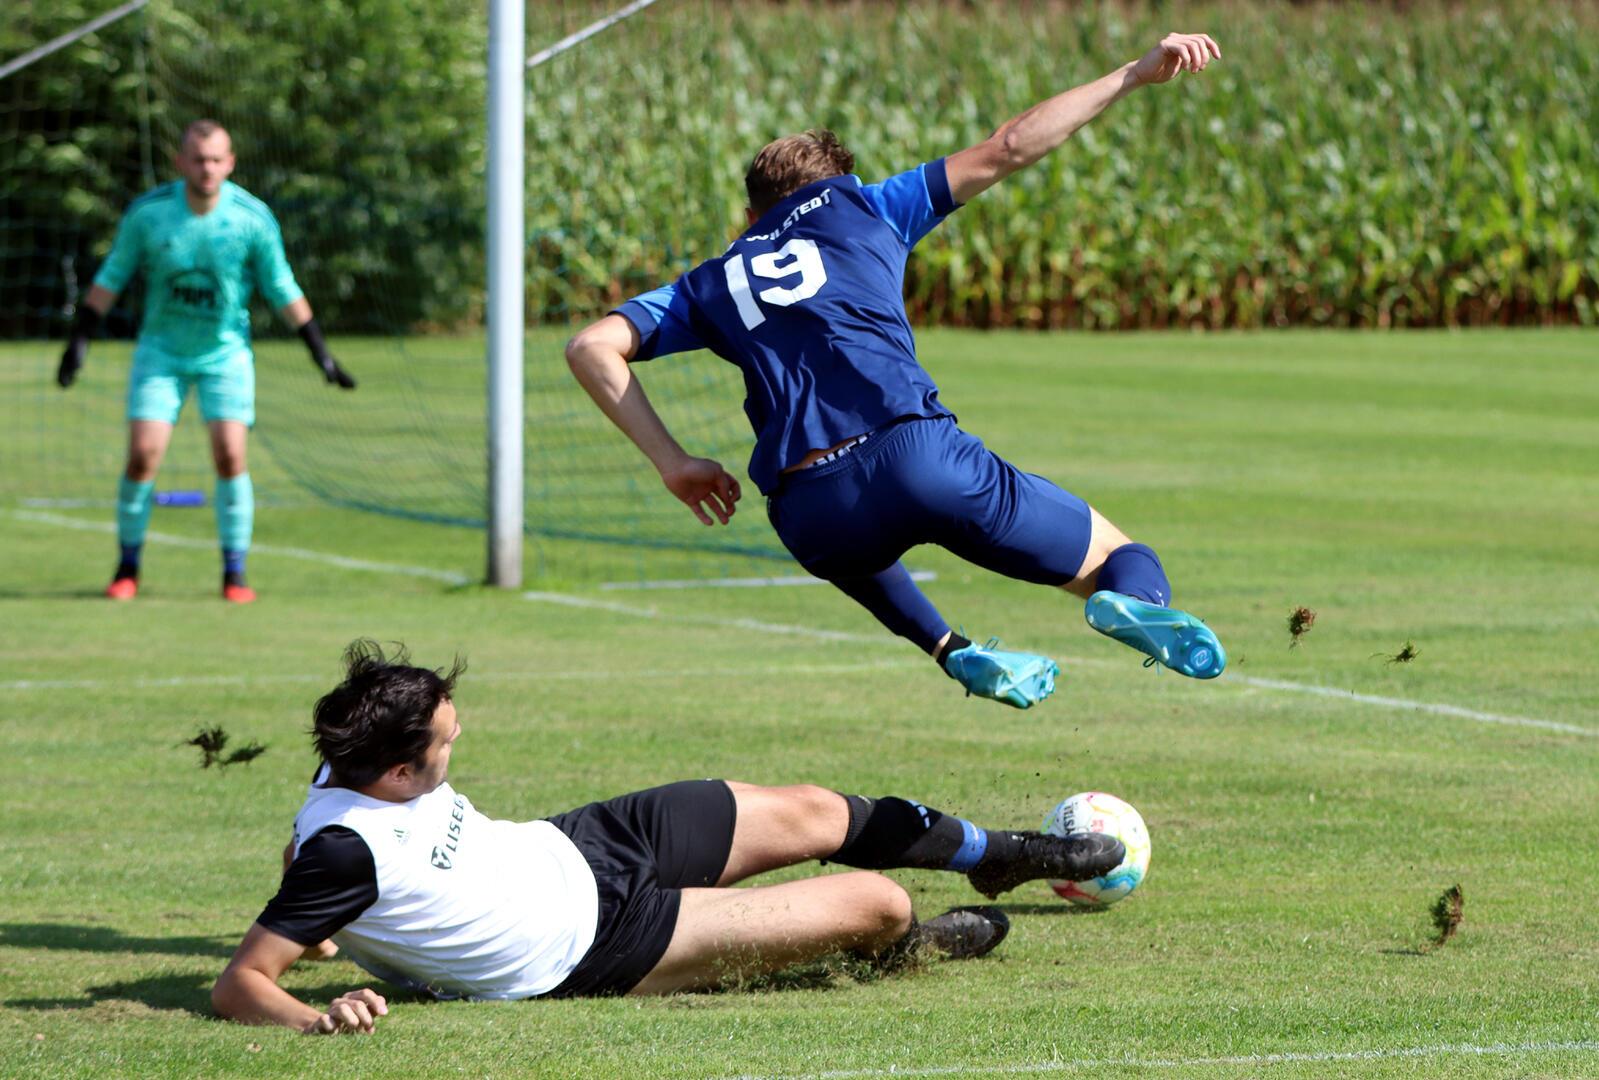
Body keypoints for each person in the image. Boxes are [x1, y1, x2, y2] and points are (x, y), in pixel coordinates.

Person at [566, 33, 1228, 709]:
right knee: (1117, 557)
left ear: (748, 217)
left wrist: (673, 463)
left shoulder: (711, 281)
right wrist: (1134, 74)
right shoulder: (869, 206)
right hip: (916, 458)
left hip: (811, 509)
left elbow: (591, 346)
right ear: (838, 182)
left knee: (851, 544)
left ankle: (952, 651)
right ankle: (1133, 600)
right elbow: (1010, 146)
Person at [212, 641, 1126, 1033]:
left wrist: (333, 929)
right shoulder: (347, 847)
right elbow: (242, 981)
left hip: (578, 846)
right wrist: (315, 1012)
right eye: (449, 739)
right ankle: (904, 946)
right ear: (402, 772)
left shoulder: (341, 774)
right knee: (880, 905)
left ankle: (998, 855)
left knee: (810, 807)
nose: (461, 738)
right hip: (589, 947)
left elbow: (303, 863)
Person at [56, 119, 356, 604]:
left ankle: (234, 574)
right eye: (198, 159)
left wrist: (320, 352)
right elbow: (112, 276)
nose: (207, 168)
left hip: (225, 354)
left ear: (230, 163)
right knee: (142, 457)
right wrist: (79, 342)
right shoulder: (149, 214)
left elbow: (282, 287)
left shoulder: (251, 218)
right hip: (162, 353)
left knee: (230, 456)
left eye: (216, 159)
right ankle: (127, 567)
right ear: (181, 163)